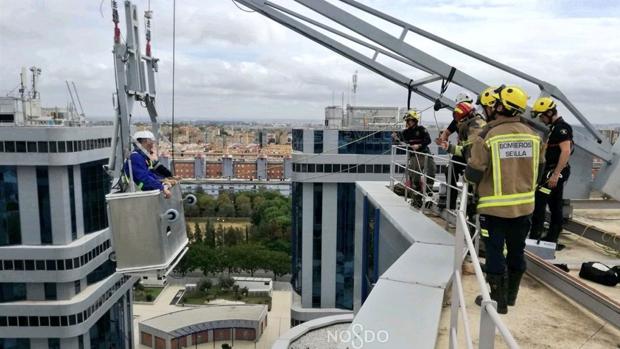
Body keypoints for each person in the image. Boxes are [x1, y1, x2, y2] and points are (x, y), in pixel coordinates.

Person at [465, 85, 545, 314]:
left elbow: (474, 173)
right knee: (517, 251)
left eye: (494, 104)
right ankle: (511, 297)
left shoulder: (488, 136)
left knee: (494, 252)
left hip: (495, 210)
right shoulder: (533, 136)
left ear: (500, 107)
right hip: (524, 207)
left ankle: (496, 300)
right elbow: (538, 170)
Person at [529, 97, 573, 250]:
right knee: (555, 204)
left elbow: (566, 151)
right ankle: (550, 239)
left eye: (541, 115)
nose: (541, 119)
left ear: (549, 112)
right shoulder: (555, 128)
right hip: (552, 171)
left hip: (554, 173)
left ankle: (536, 238)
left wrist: (555, 175)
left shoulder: (562, 128)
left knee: (540, 203)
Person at [436, 92, 476, 210]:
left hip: (472, 154)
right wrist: (442, 140)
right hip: (461, 152)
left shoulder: (477, 122)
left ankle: (469, 206)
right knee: (450, 170)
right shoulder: (457, 121)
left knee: (471, 177)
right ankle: (451, 201)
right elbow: (446, 133)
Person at [393, 109, 436, 208]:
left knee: (431, 171)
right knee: (415, 176)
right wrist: (395, 138)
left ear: (414, 121)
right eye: (407, 121)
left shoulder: (421, 129)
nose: (408, 122)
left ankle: (429, 195)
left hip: (425, 153)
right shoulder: (405, 133)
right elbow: (398, 142)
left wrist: (419, 145)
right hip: (414, 156)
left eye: (409, 120)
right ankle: (417, 200)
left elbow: (428, 140)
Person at [123, 130, 173, 198]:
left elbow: (150, 174)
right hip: (138, 196)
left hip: (141, 194)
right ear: (143, 142)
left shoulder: (142, 158)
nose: (152, 145)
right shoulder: (135, 158)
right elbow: (144, 179)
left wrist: (163, 181)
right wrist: (162, 188)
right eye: (150, 141)